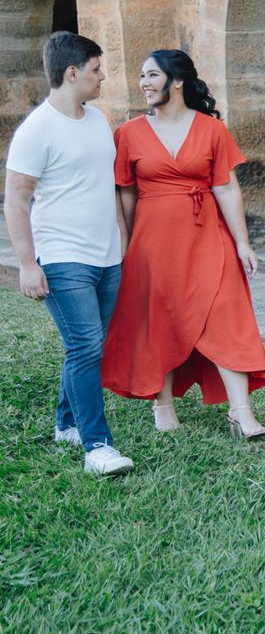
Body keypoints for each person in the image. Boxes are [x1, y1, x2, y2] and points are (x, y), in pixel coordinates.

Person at [101, 49, 265, 438]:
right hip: (153, 243)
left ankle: (242, 413)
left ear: (176, 80)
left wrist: (243, 243)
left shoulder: (212, 129)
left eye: (152, 75)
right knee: (157, 319)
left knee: (228, 315)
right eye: (141, 76)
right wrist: (128, 247)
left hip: (208, 237)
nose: (144, 83)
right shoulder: (127, 133)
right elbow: (124, 195)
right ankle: (162, 406)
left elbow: (227, 189)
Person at [3, 31, 134, 475]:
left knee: (87, 346)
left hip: (107, 255)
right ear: (73, 72)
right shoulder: (35, 131)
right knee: (85, 346)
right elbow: (16, 201)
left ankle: (66, 423)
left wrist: (123, 242)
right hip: (63, 257)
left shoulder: (97, 120)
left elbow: (108, 188)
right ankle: (97, 447)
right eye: (98, 70)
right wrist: (26, 264)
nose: (104, 77)